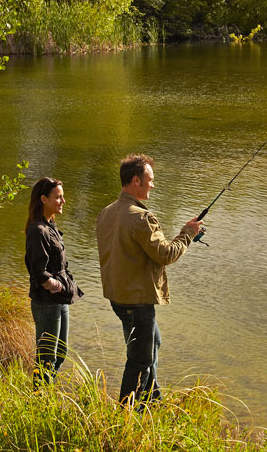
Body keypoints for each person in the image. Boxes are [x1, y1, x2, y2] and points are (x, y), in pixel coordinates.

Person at [95, 154, 203, 407]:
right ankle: (125, 415)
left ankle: (153, 403)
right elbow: (165, 255)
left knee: (152, 344)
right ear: (136, 181)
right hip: (138, 302)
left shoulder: (106, 212)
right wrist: (187, 233)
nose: (153, 185)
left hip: (118, 299)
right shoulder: (141, 218)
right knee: (139, 360)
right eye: (150, 180)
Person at [24, 177, 82, 383]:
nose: (63, 201)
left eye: (62, 197)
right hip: (47, 302)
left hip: (59, 301)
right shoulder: (37, 230)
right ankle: (39, 398)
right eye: (58, 197)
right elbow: (38, 270)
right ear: (43, 199)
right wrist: (52, 284)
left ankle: (44, 393)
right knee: (47, 357)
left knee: (60, 353)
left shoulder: (49, 226)